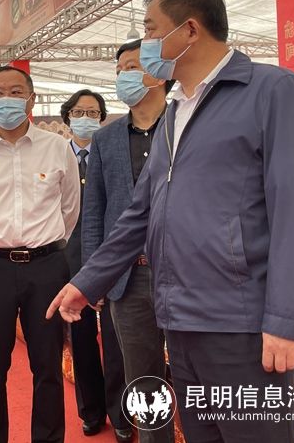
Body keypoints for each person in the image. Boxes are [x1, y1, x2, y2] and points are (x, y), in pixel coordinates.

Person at [47, 0, 294, 443]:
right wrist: (88, 281)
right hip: (180, 320)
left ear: (190, 30)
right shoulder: (177, 111)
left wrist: (286, 320)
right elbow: (140, 212)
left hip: (243, 326)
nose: (146, 43)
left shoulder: (272, 91)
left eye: (150, 29)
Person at [0, 65, 80, 443]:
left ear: (31, 99)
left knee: (47, 366)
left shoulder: (57, 148)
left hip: (46, 268)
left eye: (15, 92)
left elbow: (70, 210)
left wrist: (43, 245)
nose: (5, 100)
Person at [82, 38, 175, 443]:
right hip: (129, 280)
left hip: (187, 274)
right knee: (145, 383)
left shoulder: (187, 124)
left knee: (198, 375)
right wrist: (95, 278)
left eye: (133, 67)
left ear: (161, 71)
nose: (124, 76)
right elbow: (94, 212)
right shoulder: (106, 139)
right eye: (119, 70)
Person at [60, 90, 132, 441]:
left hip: (113, 257)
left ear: (102, 118)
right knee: (81, 337)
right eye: (79, 111)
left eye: (92, 112)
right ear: (67, 117)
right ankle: (90, 410)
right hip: (70, 259)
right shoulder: (57, 156)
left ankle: (121, 413)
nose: (85, 118)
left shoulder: (114, 152)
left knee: (117, 341)